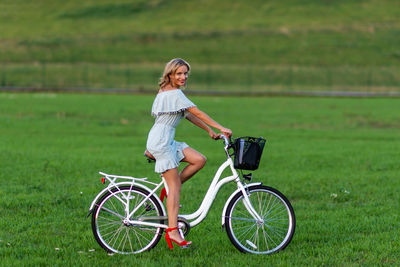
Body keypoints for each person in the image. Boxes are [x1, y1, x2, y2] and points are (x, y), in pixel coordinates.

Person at [145, 58, 232, 249]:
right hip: (161, 142)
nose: (183, 77)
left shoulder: (168, 92)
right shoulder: (174, 93)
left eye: (185, 73)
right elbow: (197, 111)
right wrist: (220, 126)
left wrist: (209, 131)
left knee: (199, 160)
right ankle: (173, 231)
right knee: (175, 187)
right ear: (170, 75)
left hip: (165, 138)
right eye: (179, 73)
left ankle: (168, 188)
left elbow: (189, 115)